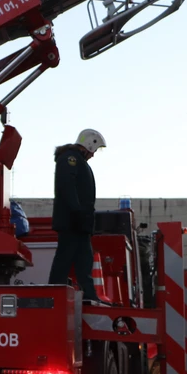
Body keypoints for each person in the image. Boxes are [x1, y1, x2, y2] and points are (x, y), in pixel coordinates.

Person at [47, 129, 108, 303]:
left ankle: (89, 294)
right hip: (72, 222)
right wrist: (78, 212)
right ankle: (55, 292)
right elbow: (67, 187)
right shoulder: (71, 159)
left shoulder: (74, 160)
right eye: (94, 150)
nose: (93, 155)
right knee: (65, 258)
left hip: (78, 223)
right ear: (89, 144)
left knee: (84, 259)